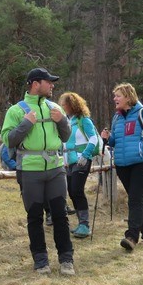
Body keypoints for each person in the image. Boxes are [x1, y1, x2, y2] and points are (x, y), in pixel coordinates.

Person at [1, 68, 73, 276]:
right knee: (34, 217)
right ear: (35, 84)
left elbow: (66, 136)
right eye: (48, 82)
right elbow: (9, 140)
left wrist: (62, 121)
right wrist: (26, 124)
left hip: (55, 169)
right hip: (30, 171)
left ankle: (66, 259)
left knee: (61, 215)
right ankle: (41, 261)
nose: (52, 85)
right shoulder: (16, 111)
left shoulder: (54, 107)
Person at [100, 82, 143, 251]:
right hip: (122, 164)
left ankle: (131, 236)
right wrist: (107, 137)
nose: (115, 99)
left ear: (128, 97)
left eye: (117, 96)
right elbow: (114, 142)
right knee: (138, 200)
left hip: (141, 162)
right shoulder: (117, 118)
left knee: (134, 198)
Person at [58, 92, 100, 239]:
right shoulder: (68, 122)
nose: (63, 107)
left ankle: (85, 225)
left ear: (72, 105)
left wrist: (86, 155)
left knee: (77, 189)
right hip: (70, 161)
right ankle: (81, 224)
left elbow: (93, 138)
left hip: (82, 160)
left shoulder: (84, 121)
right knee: (72, 191)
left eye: (65, 104)